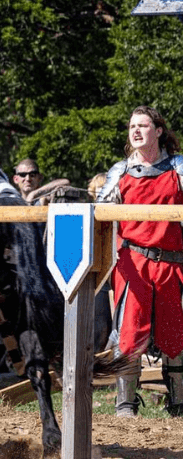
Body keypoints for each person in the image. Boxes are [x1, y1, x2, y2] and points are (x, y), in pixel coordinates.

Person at [97, 105, 183, 417]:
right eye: (132, 126)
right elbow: (100, 216)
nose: (136, 131)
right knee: (129, 335)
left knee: (177, 334)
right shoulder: (119, 172)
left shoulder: (178, 168)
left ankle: (179, 403)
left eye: (143, 126)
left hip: (174, 263)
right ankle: (125, 404)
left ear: (158, 131)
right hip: (133, 263)